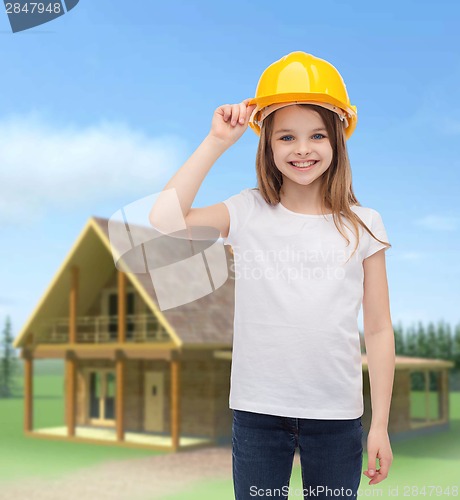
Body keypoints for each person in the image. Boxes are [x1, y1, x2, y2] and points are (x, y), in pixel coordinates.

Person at [149, 51, 395, 500]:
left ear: (338, 141)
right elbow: (165, 221)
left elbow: (378, 330)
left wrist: (379, 424)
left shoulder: (365, 223)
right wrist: (215, 142)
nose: (302, 149)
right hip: (258, 413)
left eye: (317, 135)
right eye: (286, 137)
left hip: (338, 417)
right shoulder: (247, 210)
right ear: (267, 144)